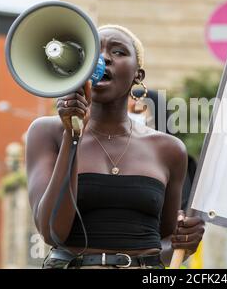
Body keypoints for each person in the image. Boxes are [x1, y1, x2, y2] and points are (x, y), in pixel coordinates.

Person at [26, 25, 205, 269]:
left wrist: (183, 244)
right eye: (94, 51)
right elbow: (52, 233)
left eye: (119, 52)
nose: (105, 57)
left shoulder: (169, 149)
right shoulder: (47, 132)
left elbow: (163, 245)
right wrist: (73, 133)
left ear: (137, 76)